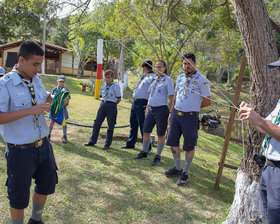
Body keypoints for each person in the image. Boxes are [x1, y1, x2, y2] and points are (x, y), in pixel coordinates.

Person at [0, 40, 57, 224]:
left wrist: (55, 98)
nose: (38, 69)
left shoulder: (36, 79)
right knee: (18, 194)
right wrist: (29, 110)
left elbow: (44, 97)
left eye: (40, 64)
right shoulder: (5, 84)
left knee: (46, 185)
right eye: (35, 64)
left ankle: (36, 220)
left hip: (43, 145)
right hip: (20, 150)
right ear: (21, 60)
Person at [238, 59, 280, 224]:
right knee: (268, 217)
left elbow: (266, 125)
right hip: (269, 168)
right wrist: (252, 117)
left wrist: (260, 121)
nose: (278, 75)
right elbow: (267, 128)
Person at [165, 53, 211, 185]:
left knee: (189, 145)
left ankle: (185, 172)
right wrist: (171, 111)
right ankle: (177, 168)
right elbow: (176, 94)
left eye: (189, 63)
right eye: (184, 64)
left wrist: (194, 106)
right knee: (173, 142)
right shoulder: (179, 77)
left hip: (190, 117)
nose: (187, 66)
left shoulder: (202, 80)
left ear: (195, 64)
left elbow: (208, 101)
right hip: (176, 115)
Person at [134, 60, 175, 166]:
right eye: (156, 67)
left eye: (160, 67)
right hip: (151, 109)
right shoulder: (154, 79)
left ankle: (158, 156)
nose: (158, 69)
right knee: (145, 131)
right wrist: (147, 107)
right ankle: (144, 151)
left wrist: (171, 111)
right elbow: (150, 95)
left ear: (164, 68)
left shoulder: (168, 80)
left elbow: (172, 96)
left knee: (160, 133)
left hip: (161, 109)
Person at [121, 61, 155, 154]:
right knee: (133, 123)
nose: (142, 69)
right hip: (135, 102)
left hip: (143, 103)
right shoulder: (144, 77)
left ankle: (147, 147)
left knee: (143, 125)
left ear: (147, 67)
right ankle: (131, 143)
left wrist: (148, 105)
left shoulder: (152, 77)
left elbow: (152, 92)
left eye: (143, 67)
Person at [84, 70, 121, 149]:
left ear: (112, 77)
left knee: (110, 125)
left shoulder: (115, 86)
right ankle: (92, 141)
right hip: (103, 104)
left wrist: (112, 104)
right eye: (106, 77)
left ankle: (107, 144)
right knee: (97, 123)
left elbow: (118, 99)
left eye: (109, 77)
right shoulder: (103, 85)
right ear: (104, 78)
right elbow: (101, 95)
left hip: (111, 105)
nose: (107, 79)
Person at [48, 75, 70, 143]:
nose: (61, 83)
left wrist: (60, 105)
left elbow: (67, 100)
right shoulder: (54, 90)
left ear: (64, 82)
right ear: (57, 81)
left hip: (62, 109)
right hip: (54, 109)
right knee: (52, 122)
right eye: (60, 81)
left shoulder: (66, 90)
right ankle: (48, 135)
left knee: (63, 123)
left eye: (63, 82)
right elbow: (52, 99)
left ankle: (64, 136)